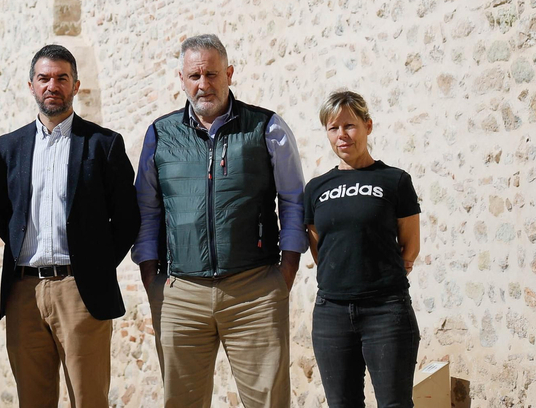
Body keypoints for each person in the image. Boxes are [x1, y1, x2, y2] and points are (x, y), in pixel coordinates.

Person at [132, 34, 308, 408]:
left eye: (212, 74)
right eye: (194, 75)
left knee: (268, 403)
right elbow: (147, 210)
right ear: (181, 79)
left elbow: (293, 199)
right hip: (181, 294)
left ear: (229, 73)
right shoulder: (160, 135)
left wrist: (285, 272)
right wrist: (152, 280)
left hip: (255, 291)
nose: (203, 84)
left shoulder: (266, 127)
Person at [0, 45, 139, 408]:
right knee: (33, 401)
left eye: (61, 78)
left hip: (80, 291)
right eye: (44, 78)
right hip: (23, 292)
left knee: (88, 399)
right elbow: (3, 217)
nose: (52, 85)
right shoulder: (8, 147)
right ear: (31, 85)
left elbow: (127, 219)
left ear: (76, 85)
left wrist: (95, 265)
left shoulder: (103, 145)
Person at [304, 91, 422, 408]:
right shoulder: (315, 188)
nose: (342, 135)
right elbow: (320, 247)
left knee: (395, 404)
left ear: (368, 126)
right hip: (332, 314)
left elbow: (410, 243)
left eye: (349, 125)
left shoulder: (395, 180)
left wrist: (386, 272)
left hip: (386, 311)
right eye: (333, 128)